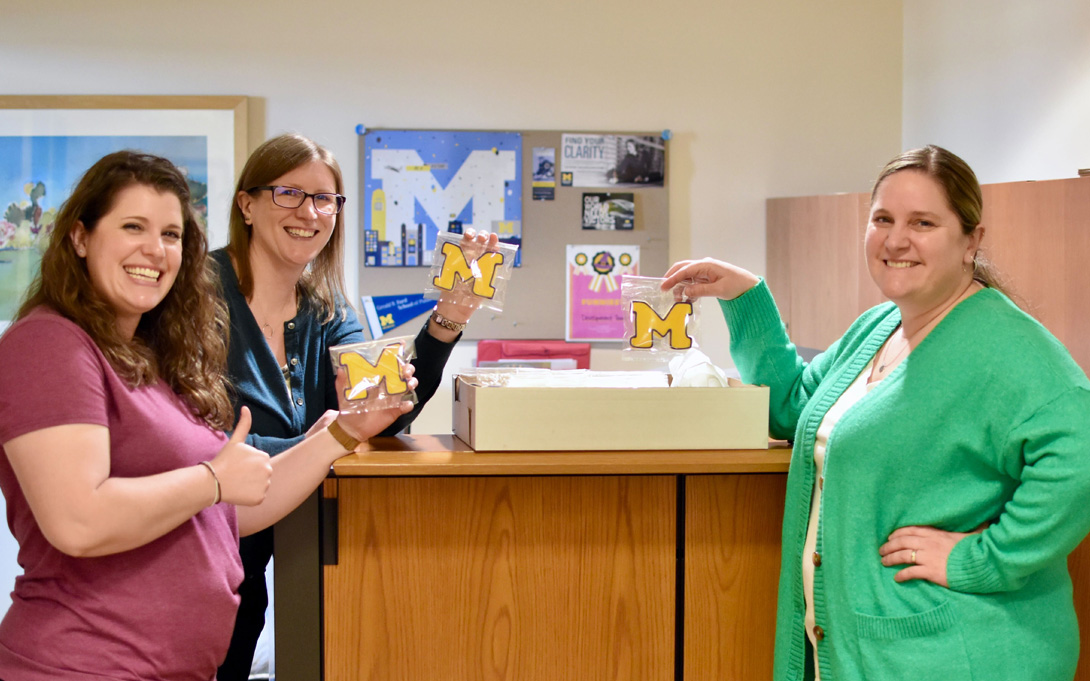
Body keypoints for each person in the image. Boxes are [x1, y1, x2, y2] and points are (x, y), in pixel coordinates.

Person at [661, 145, 1090, 681]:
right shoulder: (878, 326)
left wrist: (983, 558)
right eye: (882, 219)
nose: (895, 239)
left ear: (971, 241)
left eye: (923, 222)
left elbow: (1079, 458)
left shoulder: (1006, 346)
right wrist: (746, 297)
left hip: (957, 652)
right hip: (870, 648)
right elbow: (795, 409)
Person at [0, 151, 414, 681]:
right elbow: (78, 521)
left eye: (171, 234)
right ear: (80, 237)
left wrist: (343, 432)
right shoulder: (50, 343)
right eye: (133, 226)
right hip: (84, 663)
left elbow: (229, 510)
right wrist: (212, 479)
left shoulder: (149, 359)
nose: (155, 249)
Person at [213, 133, 497, 679]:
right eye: (289, 193)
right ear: (246, 205)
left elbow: (385, 404)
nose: (310, 212)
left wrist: (450, 314)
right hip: (198, 548)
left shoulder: (325, 307)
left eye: (325, 199)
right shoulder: (196, 297)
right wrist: (325, 440)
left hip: (279, 541)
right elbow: (205, 443)